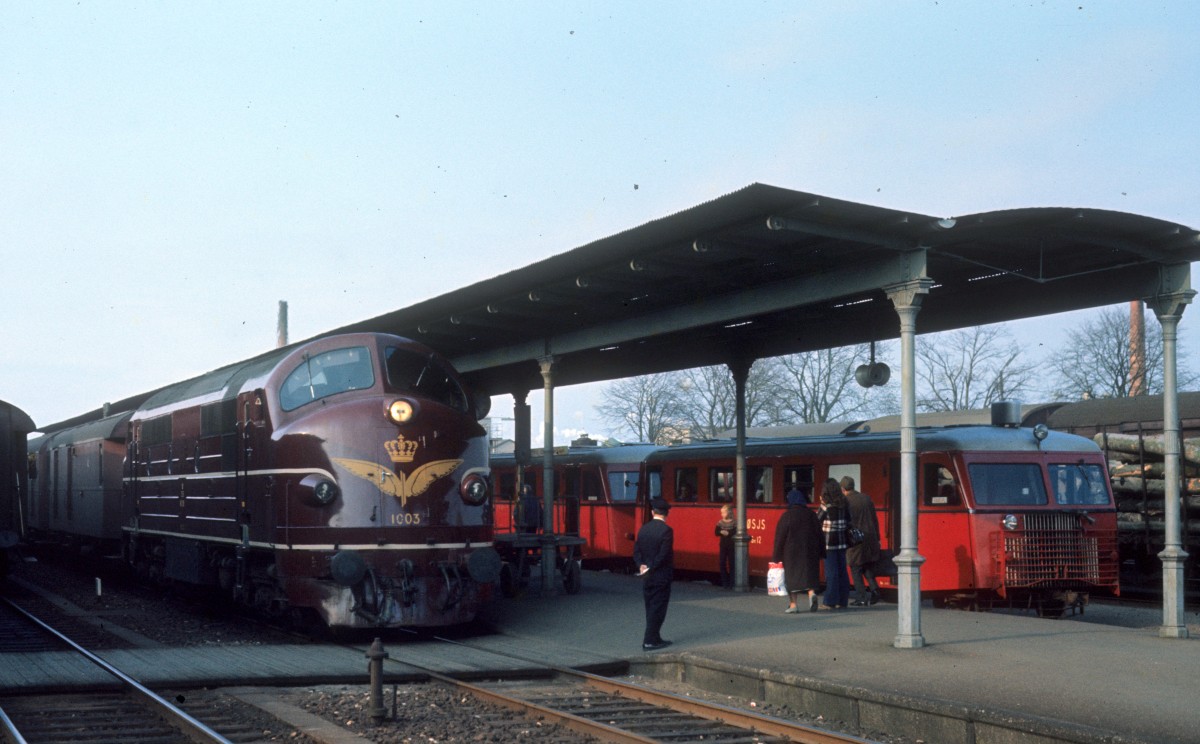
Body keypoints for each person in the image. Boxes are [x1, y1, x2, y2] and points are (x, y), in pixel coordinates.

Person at [772, 487, 823, 612]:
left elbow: (780, 537)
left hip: (791, 553)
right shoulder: (811, 515)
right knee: (809, 575)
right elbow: (820, 534)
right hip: (810, 551)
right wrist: (822, 552)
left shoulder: (787, 516)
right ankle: (812, 594)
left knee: (792, 579)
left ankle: (793, 605)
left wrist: (776, 557)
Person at [633, 498, 674, 650]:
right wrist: (652, 567)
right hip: (661, 576)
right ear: (666, 514)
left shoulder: (644, 529)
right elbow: (664, 554)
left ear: (652, 512)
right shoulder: (666, 531)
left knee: (650, 607)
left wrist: (641, 566)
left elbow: (636, 551)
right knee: (658, 609)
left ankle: (656, 637)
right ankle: (649, 641)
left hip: (647, 576)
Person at [840, 476, 881, 606]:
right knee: (867, 565)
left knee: (855, 567)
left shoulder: (845, 501)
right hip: (871, 537)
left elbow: (845, 522)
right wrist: (878, 538)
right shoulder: (866, 498)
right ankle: (875, 590)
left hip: (856, 539)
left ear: (843, 488)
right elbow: (874, 519)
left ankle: (861, 597)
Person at [815, 478, 852, 610]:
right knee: (842, 572)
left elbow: (816, 521)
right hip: (842, 542)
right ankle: (842, 601)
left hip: (829, 543)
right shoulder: (844, 504)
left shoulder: (826, 506)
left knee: (831, 573)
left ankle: (829, 601)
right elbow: (849, 521)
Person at [713, 504, 735, 589]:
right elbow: (716, 532)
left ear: (728, 512)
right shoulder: (720, 522)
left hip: (731, 545)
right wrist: (722, 532)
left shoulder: (734, 522)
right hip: (723, 545)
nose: (722, 515)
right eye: (721, 513)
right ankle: (725, 582)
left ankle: (731, 583)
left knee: (732, 563)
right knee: (722, 563)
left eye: (723, 513)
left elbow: (734, 532)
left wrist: (727, 533)